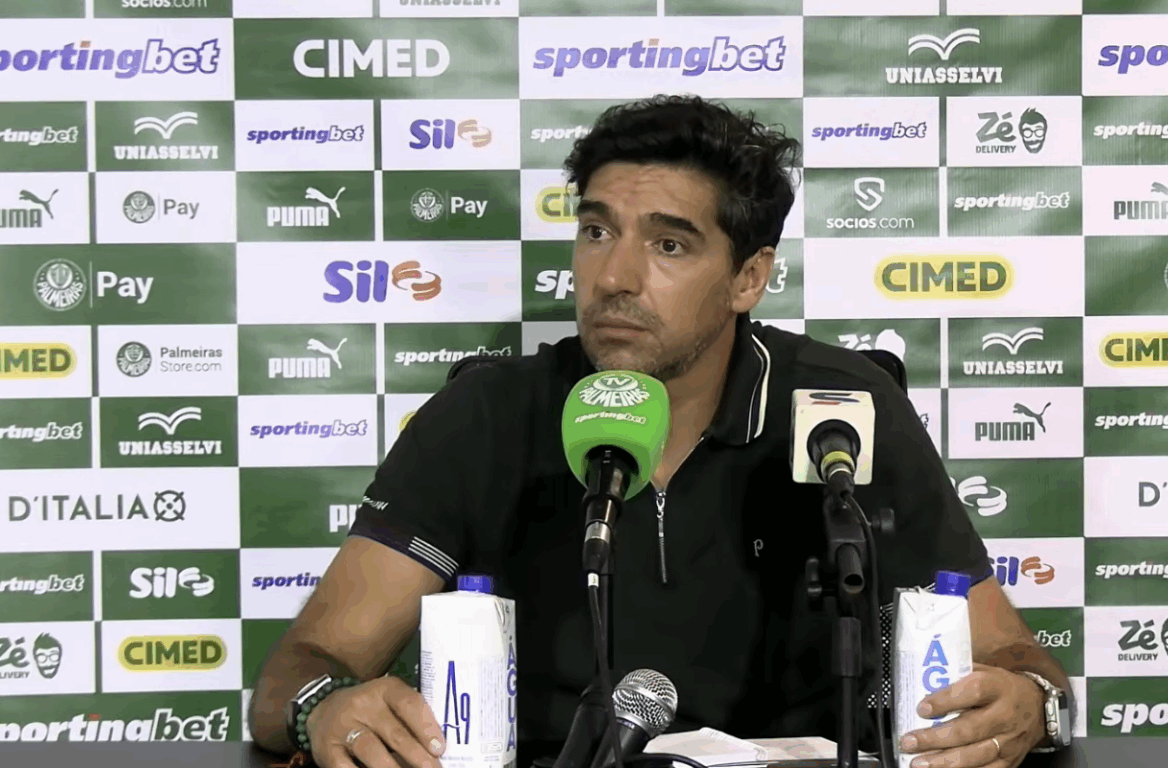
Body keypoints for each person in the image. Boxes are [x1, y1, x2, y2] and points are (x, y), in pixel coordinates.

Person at [248, 94, 1073, 768]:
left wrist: (1031, 704)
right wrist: (325, 707)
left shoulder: (840, 407)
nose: (614, 276)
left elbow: (1014, 658)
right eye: (597, 230)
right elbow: (299, 671)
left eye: (669, 244)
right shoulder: (487, 415)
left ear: (748, 276)